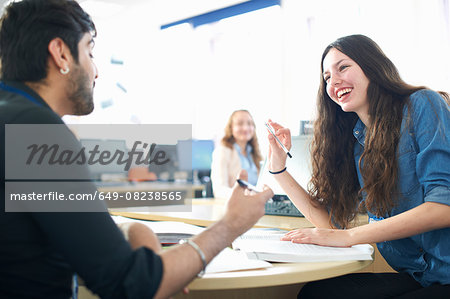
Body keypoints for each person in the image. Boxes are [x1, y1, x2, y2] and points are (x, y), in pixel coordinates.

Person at [0, 1, 273, 298]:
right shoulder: (36, 131)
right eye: (89, 51)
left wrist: (127, 229)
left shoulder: (13, 119)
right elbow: (132, 284)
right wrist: (231, 224)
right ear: (61, 53)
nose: (96, 71)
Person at [267, 34, 450, 298]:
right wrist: (278, 169)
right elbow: (332, 226)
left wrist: (352, 237)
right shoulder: (356, 144)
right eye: (327, 77)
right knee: (317, 294)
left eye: (343, 67)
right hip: (421, 277)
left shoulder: (422, 104)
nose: (334, 81)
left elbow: (444, 207)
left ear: (372, 67)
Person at [211, 110, 263, 198]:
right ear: (231, 128)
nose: (246, 128)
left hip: (257, 204)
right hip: (235, 205)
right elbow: (219, 190)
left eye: (249, 124)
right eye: (240, 124)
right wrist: (245, 195)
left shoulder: (256, 154)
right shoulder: (222, 152)